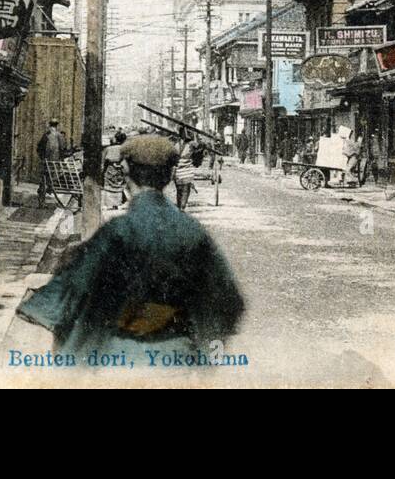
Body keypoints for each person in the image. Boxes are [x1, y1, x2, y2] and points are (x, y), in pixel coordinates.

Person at [17, 133, 245, 360]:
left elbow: (66, 295)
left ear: (126, 173)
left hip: (119, 359)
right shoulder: (193, 233)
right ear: (169, 176)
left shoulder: (117, 232)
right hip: (177, 361)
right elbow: (229, 305)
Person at [36, 118, 69, 207]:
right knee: (51, 180)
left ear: (50, 125)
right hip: (55, 163)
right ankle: (49, 190)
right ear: (57, 126)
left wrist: (43, 158)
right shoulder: (59, 136)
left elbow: (39, 148)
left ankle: (41, 201)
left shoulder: (45, 135)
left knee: (43, 181)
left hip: (46, 162)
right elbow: (63, 148)